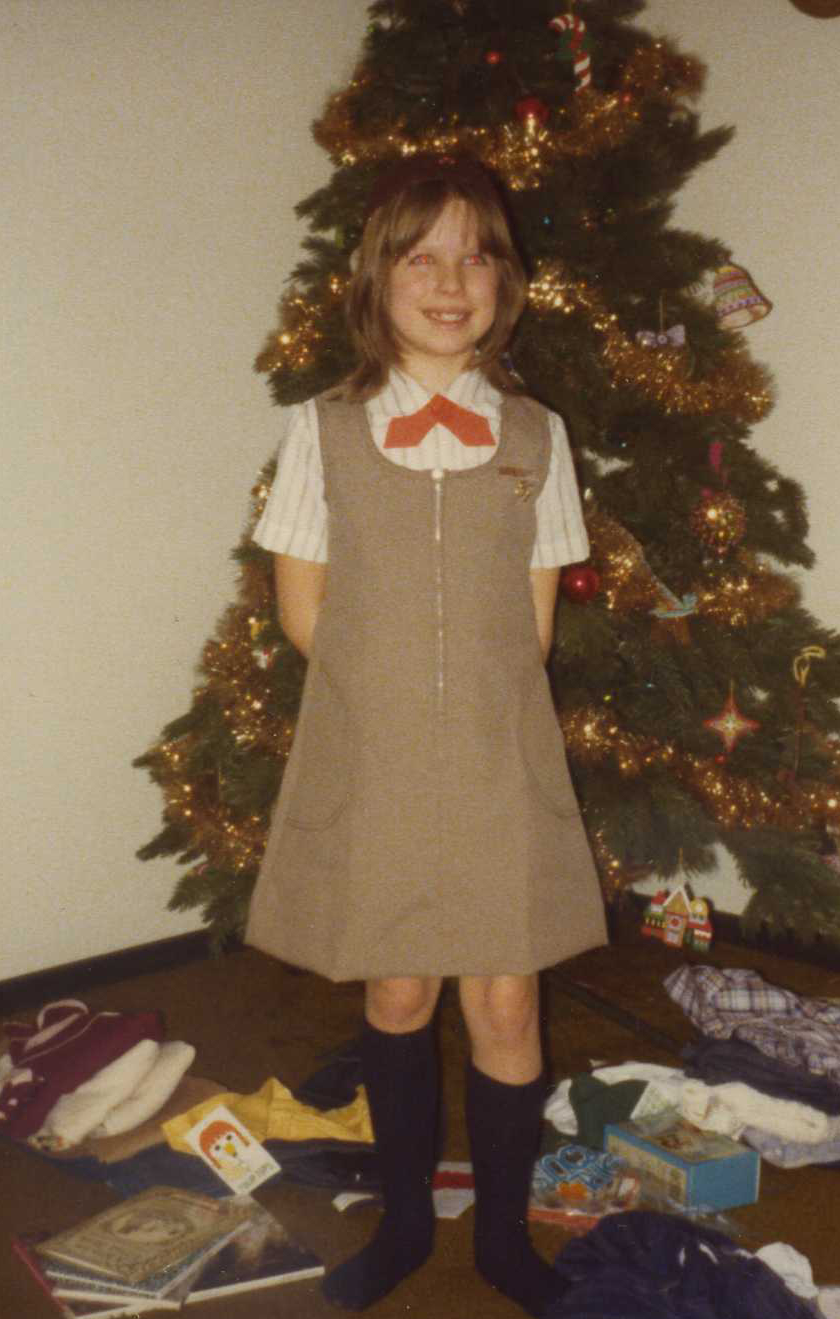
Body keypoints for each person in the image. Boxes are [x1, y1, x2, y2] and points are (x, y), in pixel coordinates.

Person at [245, 154, 607, 1316]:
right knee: (398, 992)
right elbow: (305, 611)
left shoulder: (538, 436)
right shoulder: (327, 430)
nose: (452, 281)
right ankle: (405, 1223)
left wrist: (476, 716)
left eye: (478, 256)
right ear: (378, 277)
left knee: (506, 1003)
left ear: (505, 282)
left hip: (502, 762)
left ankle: (502, 1238)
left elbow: (535, 626)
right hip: (383, 758)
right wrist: (398, 701)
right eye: (423, 256)